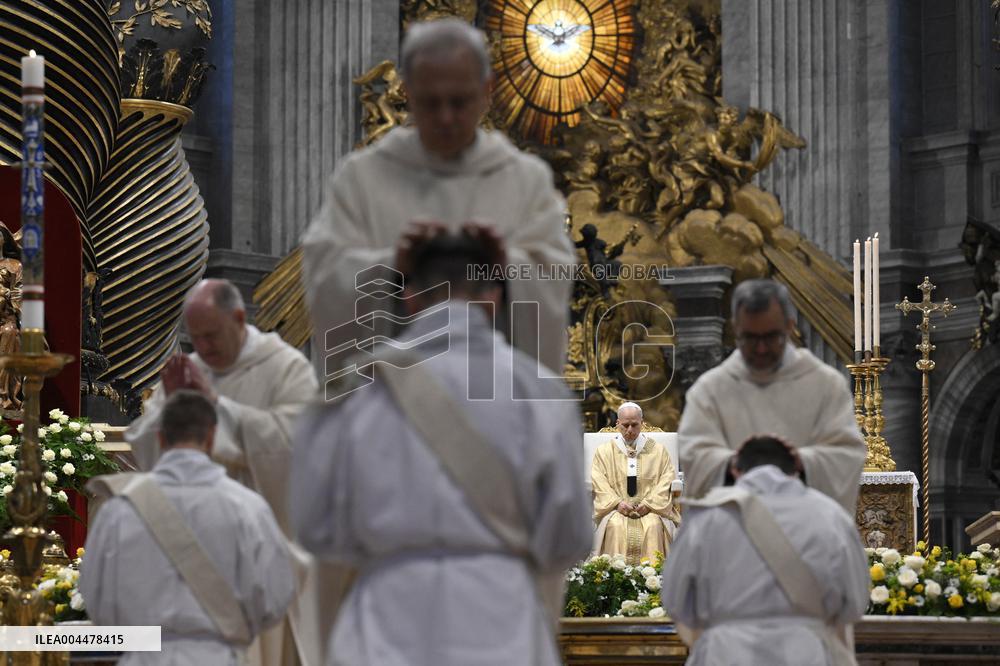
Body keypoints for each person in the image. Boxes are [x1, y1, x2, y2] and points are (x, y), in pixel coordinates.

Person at [290, 231, 592, 666]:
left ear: (410, 299)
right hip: (499, 618)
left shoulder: (357, 390)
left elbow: (314, 528)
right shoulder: (537, 389)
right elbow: (569, 534)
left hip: (385, 619)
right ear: (492, 298)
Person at [301, 18, 575, 375]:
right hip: (390, 406)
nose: (446, 117)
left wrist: (504, 266)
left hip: (493, 403)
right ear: (408, 92)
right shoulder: (363, 177)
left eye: (459, 102)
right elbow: (323, 280)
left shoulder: (525, 180)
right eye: (430, 103)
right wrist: (393, 265)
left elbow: (554, 282)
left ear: (487, 90)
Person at [125, 278, 322, 666]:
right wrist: (169, 408)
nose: (203, 348)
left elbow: (297, 448)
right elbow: (147, 445)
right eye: (194, 338)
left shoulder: (286, 367)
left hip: (263, 542)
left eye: (211, 335)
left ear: (238, 318)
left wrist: (215, 404)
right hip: (190, 539)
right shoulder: (190, 370)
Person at [81, 390, 295, 666]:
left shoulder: (119, 510)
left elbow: (94, 597)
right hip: (217, 656)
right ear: (211, 438)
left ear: (160, 437)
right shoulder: (247, 507)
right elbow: (275, 597)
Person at [661, 435, 869, 666]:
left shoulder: (707, 517)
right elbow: (855, 600)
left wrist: (717, 627)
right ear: (796, 469)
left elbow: (674, 599)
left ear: (735, 470)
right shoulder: (830, 515)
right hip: (805, 652)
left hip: (726, 652)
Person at [678, 279, 866, 511]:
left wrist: (800, 461)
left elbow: (846, 455)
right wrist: (733, 463)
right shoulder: (710, 390)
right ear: (735, 328)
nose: (761, 349)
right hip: (735, 530)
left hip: (806, 528)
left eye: (770, 337)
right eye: (750, 338)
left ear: (789, 326)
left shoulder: (825, 384)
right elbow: (694, 458)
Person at [590, 402, 681, 563]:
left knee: (653, 526)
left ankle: (653, 580)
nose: (630, 430)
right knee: (616, 526)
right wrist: (617, 503)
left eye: (634, 425)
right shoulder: (604, 451)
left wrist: (649, 504)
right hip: (616, 510)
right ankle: (614, 580)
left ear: (642, 423)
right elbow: (599, 481)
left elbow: (667, 478)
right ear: (617, 423)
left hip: (651, 510)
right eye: (625, 425)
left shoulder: (658, 450)